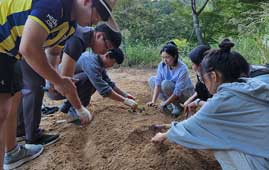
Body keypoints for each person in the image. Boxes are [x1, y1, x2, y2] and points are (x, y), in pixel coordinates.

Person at [0, 0, 118, 169]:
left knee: (14, 98)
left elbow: (54, 52)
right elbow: (29, 47)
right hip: (3, 42)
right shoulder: (54, 4)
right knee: (2, 110)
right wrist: (58, 80)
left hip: (12, 52)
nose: (97, 21)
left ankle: (12, 152)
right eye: (99, 13)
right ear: (86, 2)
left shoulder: (69, 26)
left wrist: (55, 76)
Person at [151, 40, 269, 169]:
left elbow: (191, 128)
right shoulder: (251, 86)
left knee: (220, 143)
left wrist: (163, 135)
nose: (203, 82)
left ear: (213, 76)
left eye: (203, 77)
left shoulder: (222, 101)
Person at [16, 23, 122, 147]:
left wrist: (52, 78)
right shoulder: (78, 40)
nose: (105, 52)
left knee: (28, 87)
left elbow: (54, 52)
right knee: (33, 87)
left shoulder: (78, 34)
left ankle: (21, 129)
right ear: (99, 36)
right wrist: (80, 109)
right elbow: (66, 83)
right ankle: (32, 136)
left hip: (26, 43)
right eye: (107, 47)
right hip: (25, 44)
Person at [60, 48, 138, 118]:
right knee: (89, 80)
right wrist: (125, 101)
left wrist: (125, 95)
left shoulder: (99, 61)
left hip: (67, 85)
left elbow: (109, 83)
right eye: (113, 63)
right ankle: (75, 111)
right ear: (107, 55)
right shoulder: (91, 62)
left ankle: (68, 105)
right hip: (58, 86)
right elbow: (105, 90)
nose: (112, 66)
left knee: (94, 80)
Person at [147, 42, 194, 116]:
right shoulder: (162, 65)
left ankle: (177, 107)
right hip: (171, 91)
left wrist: (164, 104)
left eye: (167, 57)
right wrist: (153, 101)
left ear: (175, 56)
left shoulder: (182, 68)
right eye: (162, 57)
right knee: (152, 80)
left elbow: (177, 92)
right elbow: (158, 84)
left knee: (165, 84)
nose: (164, 60)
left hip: (185, 95)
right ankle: (169, 105)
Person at [183, 45, 212, 116]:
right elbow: (199, 90)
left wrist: (197, 102)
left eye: (193, 63)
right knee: (199, 85)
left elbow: (217, 105)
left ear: (201, 64)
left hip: (217, 108)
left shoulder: (214, 77)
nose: (192, 66)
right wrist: (189, 100)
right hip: (209, 100)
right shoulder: (201, 73)